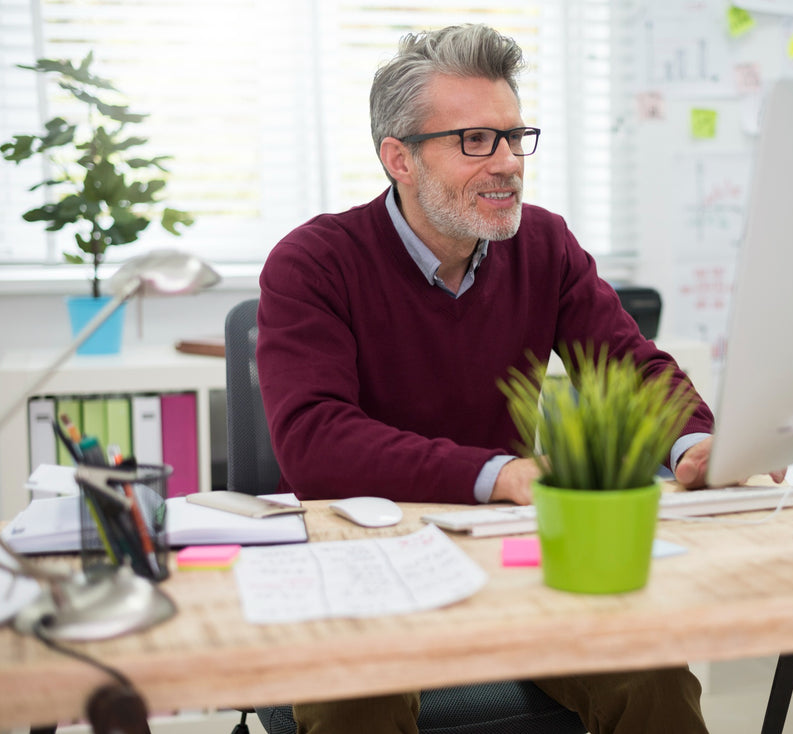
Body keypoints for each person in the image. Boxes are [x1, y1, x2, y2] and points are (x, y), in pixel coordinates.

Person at [257, 22, 721, 734]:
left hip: (510, 559)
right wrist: (500, 473)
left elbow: (626, 368)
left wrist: (690, 442)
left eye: (514, 136)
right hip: (364, 563)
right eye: (476, 140)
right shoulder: (313, 262)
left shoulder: (544, 243)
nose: (507, 162)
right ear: (399, 159)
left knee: (652, 671)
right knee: (359, 693)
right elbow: (316, 443)